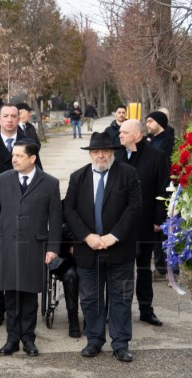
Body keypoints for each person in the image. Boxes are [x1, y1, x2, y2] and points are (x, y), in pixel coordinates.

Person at [63, 132, 141, 363]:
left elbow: (135, 207)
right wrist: (86, 236)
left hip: (120, 249)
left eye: (105, 151)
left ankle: (120, 343)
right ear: (90, 154)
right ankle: (94, 340)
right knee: (90, 299)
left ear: (113, 152)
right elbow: (69, 210)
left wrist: (114, 236)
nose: (100, 155)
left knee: (121, 297)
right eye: (96, 151)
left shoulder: (128, 174)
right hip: (89, 250)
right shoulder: (78, 177)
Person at [0, 140, 62, 356]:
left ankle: (28, 338)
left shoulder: (49, 183)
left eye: (19, 155)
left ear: (32, 158)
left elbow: (55, 219)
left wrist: (53, 247)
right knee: (10, 294)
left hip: (34, 246)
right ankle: (12, 339)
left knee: (29, 295)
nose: (14, 159)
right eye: (13, 155)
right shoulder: (1, 180)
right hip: (7, 245)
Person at [0, 103, 41, 328]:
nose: (9, 120)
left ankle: (23, 312)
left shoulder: (30, 141)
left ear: (19, 118)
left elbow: (39, 174)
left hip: (23, 211)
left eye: (13, 116)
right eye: (5, 116)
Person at [117, 119, 169, 326]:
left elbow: (163, 189)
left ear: (137, 135)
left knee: (144, 270)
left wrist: (158, 219)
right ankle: (119, 310)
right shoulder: (117, 155)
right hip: (119, 224)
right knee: (121, 270)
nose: (119, 135)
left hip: (145, 223)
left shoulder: (157, 157)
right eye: (119, 131)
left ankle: (146, 310)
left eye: (124, 132)